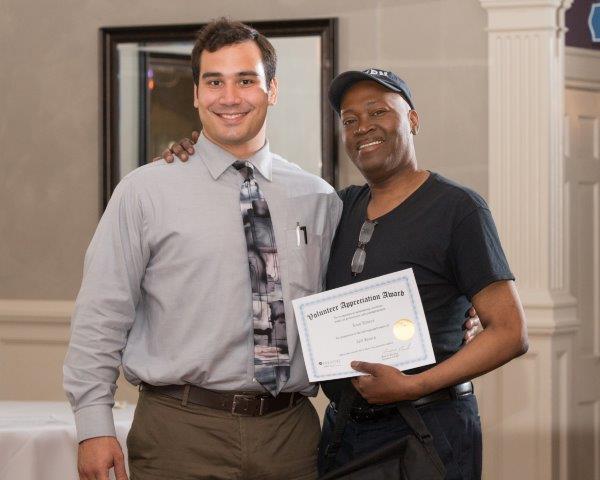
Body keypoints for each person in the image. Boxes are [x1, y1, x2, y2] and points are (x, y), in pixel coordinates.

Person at [63, 19, 343, 480]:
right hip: (180, 432)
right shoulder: (145, 192)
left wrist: (447, 322)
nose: (229, 97)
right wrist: (93, 425)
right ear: (196, 93)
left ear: (271, 90)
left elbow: (346, 298)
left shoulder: (318, 199)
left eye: (246, 80)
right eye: (215, 81)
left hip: (292, 437)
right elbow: (101, 313)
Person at [316, 69, 528, 478]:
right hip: (344, 430)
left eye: (378, 112)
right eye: (350, 120)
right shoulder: (340, 207)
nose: (363, 128)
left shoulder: (458, 208)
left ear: (412, 120)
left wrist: (413, 385)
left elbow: (509, 332)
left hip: (428, 428)